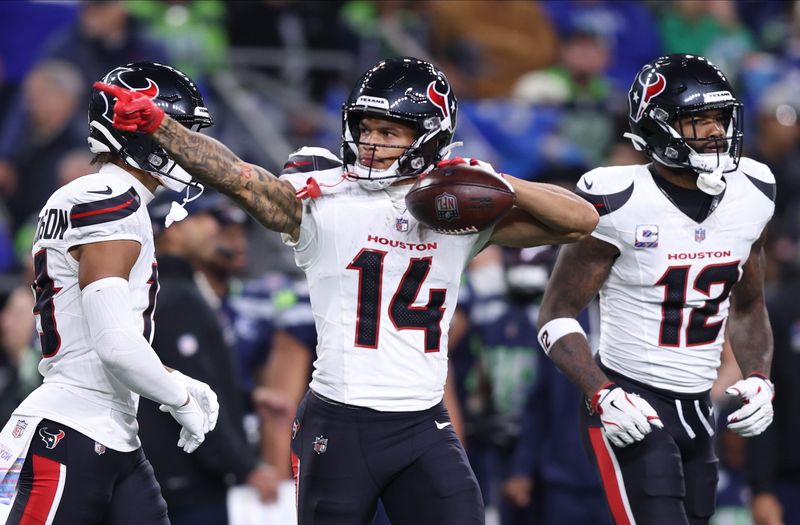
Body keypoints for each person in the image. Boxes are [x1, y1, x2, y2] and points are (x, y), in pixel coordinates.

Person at [95, 55, 600, 525]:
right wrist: (164, 127)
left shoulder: (456, 206)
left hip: (423, 422)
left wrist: (498, 181)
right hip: (339, 422)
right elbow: (242, 180)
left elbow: (580, 221)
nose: (371, 143)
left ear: (428, 136)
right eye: (366, 129)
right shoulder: (324, 199)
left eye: (389, 131)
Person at [536, 53, 776, 525]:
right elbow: (556, 316)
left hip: (698, 407)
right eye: (697, 120)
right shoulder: (618, 198)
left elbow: (747, 307)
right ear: (659, 128)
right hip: (631, 400)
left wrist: (760, 377)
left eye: (719, 118)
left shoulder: (754, 189)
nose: (713, 132)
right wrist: (601, 393)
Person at [0, 61, 219, 525]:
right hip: (69, 431)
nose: (188, 147)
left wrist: (171, 377)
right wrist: (178, 396)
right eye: (176, 131)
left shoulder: (104, 198)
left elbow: (101, 332)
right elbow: (115, 346)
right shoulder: (109, 202)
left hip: (109, 431)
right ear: (138, 134)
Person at [137, 192, 280, 525]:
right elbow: (190, 395)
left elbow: (184, 377)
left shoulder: (170, 290)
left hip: (182, 475)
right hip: (187, 481)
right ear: (170, 230)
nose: (213, 226)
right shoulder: (174, 297)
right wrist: (246, 467)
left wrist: (248, 397)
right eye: (199, 218)